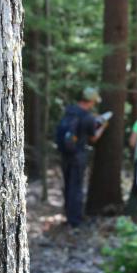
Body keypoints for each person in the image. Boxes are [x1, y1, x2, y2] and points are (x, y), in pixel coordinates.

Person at [57, 88, 108, 227]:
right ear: (91, 101)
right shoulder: (88, 117)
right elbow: (93, 138)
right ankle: (75, 221)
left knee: (68, 186)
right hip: (78, 155)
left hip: (65, 154)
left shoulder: (70, 111)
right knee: (77, 187)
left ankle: (69, 216)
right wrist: (102, 126)